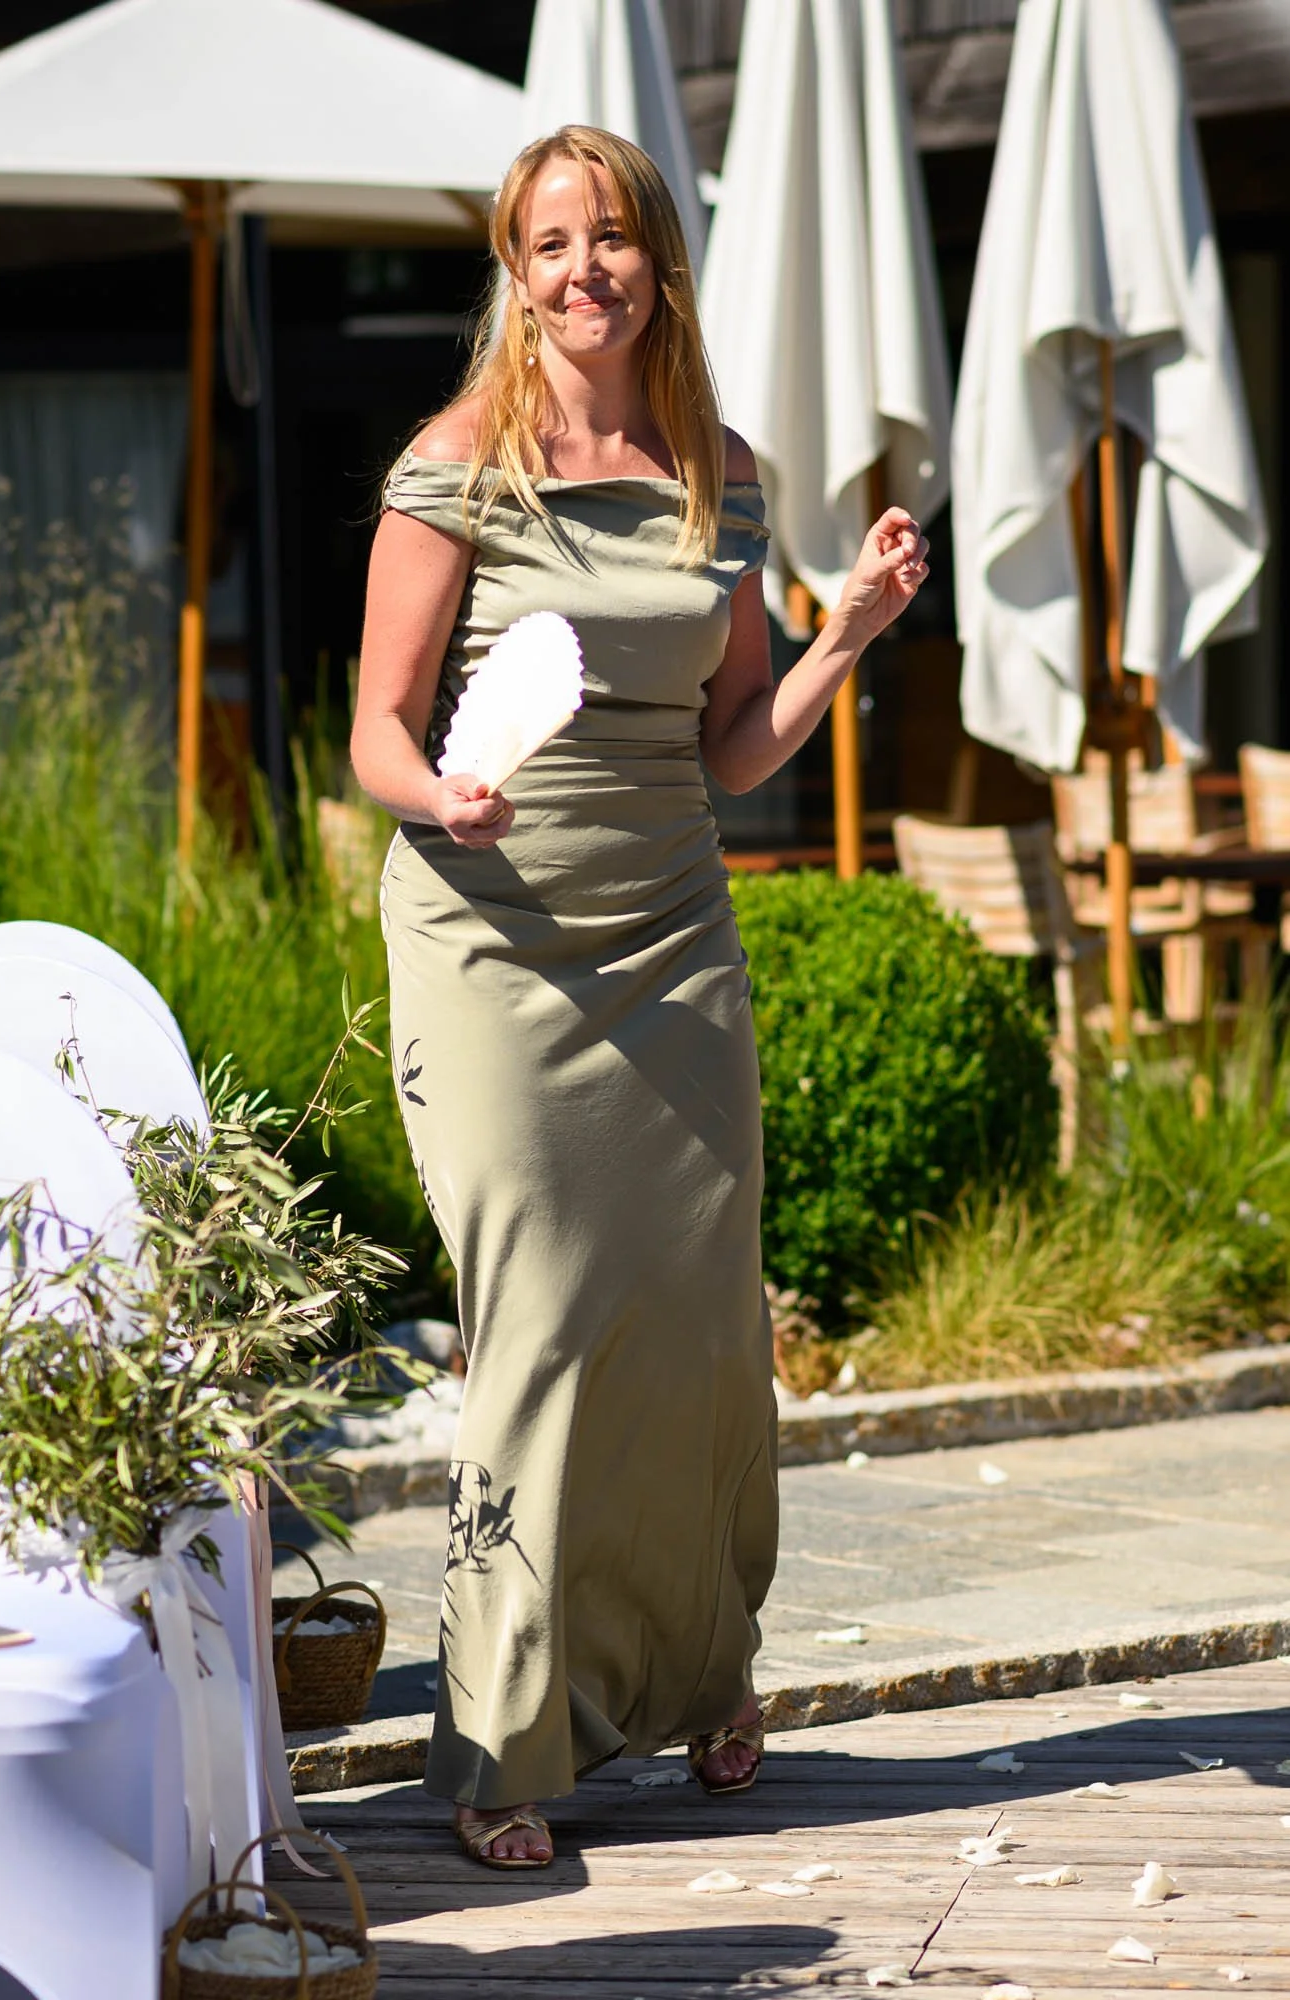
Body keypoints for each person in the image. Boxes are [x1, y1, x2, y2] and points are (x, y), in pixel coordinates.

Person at [352, 124, 928, 1870]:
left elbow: (733, 741)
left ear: (656, 261)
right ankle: (502, 1739)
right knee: (537, 1321)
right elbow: (379, 730)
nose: (582, 268)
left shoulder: (719, 478)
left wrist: (847, 632)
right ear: (515, 274)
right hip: (493, 939)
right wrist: (441, 795)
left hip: (673, 933)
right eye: (550, 243)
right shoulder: (455, 466)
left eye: (609, 236)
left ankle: (702, 1671)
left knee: (695, 1322)